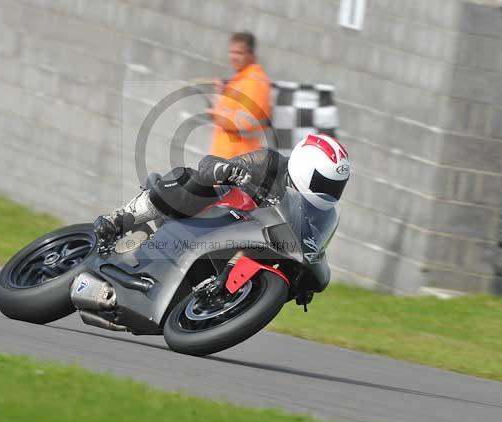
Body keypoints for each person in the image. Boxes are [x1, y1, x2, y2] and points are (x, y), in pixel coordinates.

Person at [93, 134, 351, 291]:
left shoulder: (320, 213)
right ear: (305, 167)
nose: (330, 191)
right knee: (190, 180)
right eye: (325, 183)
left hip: (247, 246)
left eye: (336, 186)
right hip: (211, 218)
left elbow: (311, 247)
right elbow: (209, 164)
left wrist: (304, 281)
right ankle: (119, 218)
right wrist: (226, 171)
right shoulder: (269, 163)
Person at [209, 32, 272, 159]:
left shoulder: (254, 82)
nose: (233, 57)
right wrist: (220, 94)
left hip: (237, 161)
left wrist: (216, 114)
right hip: (225, 159)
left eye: (239, 53)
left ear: (251, 55)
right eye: (231, 52)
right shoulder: (240, 80)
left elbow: (246, 122)